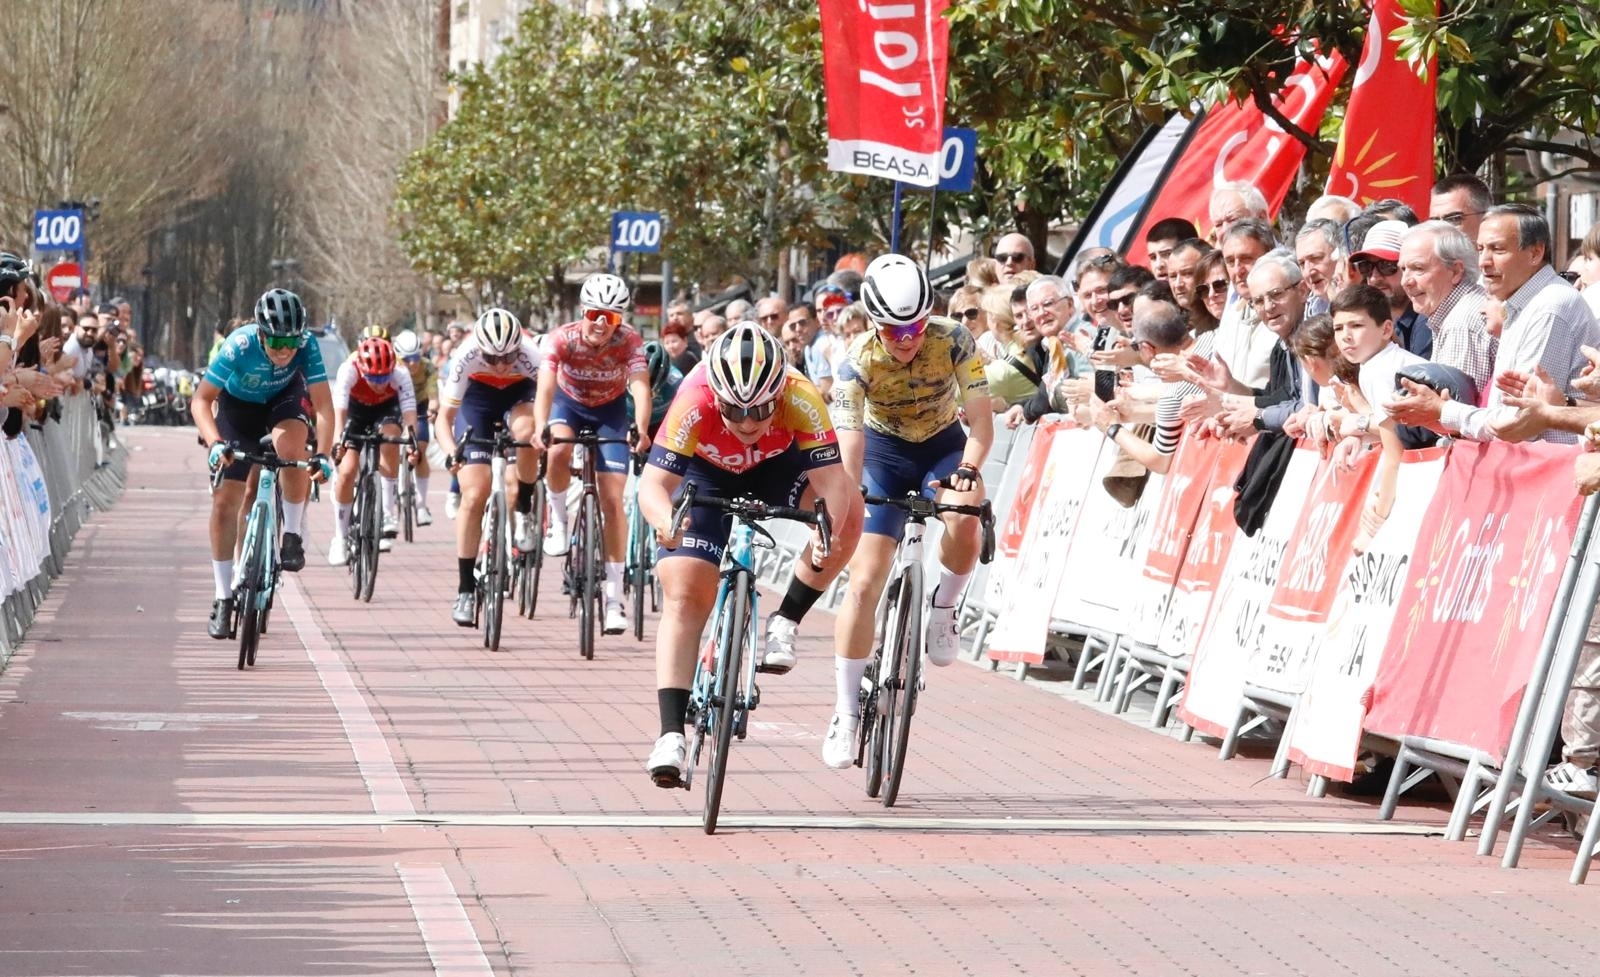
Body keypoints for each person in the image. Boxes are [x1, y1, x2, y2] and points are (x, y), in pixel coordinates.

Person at [637, 323, 862, 787]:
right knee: (684, 594)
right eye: (734, 410)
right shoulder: (694, 397)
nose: (745, 422)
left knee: (851, 516)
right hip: (707, 473)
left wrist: (826, 533)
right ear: (715, 394)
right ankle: (670, 736)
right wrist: (665, 521)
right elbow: (653, 485)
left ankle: (786, 620)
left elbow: (833, 483)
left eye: (760, 409)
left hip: (779, 469)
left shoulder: (801, 396)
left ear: (779, 392)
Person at [828, 254, 993, 768]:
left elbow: (983, 428)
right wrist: (851, 496)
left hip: (944, 445)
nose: (908, 339)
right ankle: (846, 711)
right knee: (863, 582)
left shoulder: (955, 341)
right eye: (896, 331)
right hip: (883, 454)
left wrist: (967, 468)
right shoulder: (855, 361)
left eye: (917, 326)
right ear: (875, 324)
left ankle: (943, 609)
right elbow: (850, 448)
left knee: (966, 513)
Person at [191, 289, 334, 639]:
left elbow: (325, 407)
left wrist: (325, 454)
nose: (285, 350)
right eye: (276, 341)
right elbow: (201, 400)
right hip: (238, 409)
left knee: (292, 449)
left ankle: (293, 534)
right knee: (226, 500)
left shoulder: (305, 347)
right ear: (260, 333)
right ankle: (224, 596)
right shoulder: (238, 346)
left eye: (291, 341)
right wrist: (215, 444)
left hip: (283, 400)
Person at [534, 273, 652, 637]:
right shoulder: (562, 339)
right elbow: (546, 387)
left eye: (612, 316)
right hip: (567, 406)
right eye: (596, 314)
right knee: (559, 448)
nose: (602, 323)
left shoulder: (630, 340)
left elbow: (640, 387)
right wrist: (541, 425)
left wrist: (642, 428)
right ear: (583, 311)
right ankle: (557, 518)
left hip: (609, 412)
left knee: (613, 501)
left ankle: (615, 599)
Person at [434, 308, 544, 625]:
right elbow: (445, 418)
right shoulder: (465, 355)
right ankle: (466, 589)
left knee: (526, 432)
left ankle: (523, 507)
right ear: (479, 347)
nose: (500, 365)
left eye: (508, 357)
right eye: (492, 358)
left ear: (518, 348)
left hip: (520, 394)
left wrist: (545, 432)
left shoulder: (531, 354)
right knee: (473, 494)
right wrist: (452, 450)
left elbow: (550, 399)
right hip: (477, 401)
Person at [326, 336, 419, 564]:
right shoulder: (348, 370)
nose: (378, 383)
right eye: (373, 377)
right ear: (362, 368)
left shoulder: (400, 373)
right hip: (355, 413)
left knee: (391, 438)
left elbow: (408, 412)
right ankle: (340, 537)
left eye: (383, 377)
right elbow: (339, 414)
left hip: (385, 410)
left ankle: (387, 512)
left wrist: (413, 442)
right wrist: (339, 443)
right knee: (347, 471)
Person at [393, 329, 437, 525]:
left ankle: (421, 504)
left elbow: (434, 395)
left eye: (416, 357)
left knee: (420, 450)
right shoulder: (391, 365)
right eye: (407, 359)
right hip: (394, 405)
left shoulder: (428, 367)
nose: (412, 363)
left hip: (419, 405)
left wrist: (434, 408)